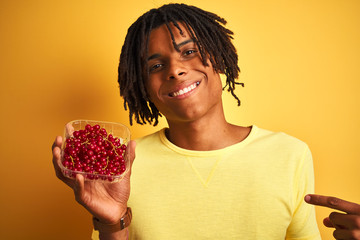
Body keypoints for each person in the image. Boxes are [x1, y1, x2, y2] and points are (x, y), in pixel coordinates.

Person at [52, 3, 360, 239]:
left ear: (219, 57)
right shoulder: (123, 167)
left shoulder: (289, 154)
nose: (175, 70)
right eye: (156, 65)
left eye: (189, 52)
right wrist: (110, 223)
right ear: (142, 86)